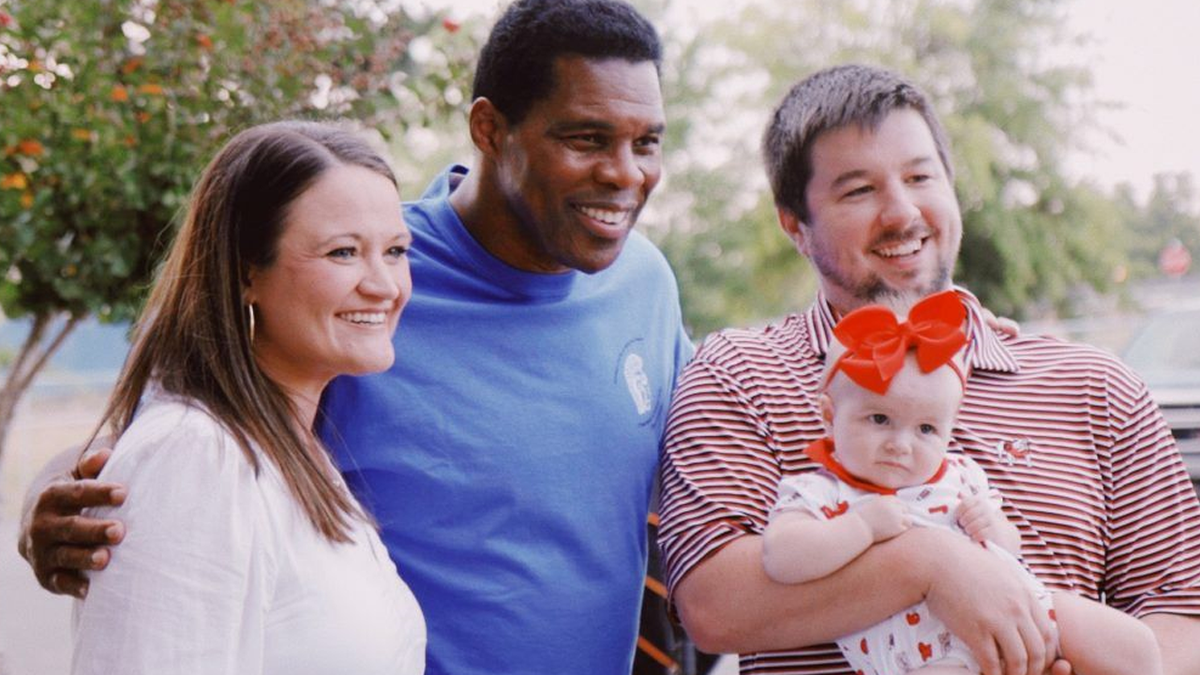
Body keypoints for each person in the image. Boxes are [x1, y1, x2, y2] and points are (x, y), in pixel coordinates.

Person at [18, 1, 694, 673]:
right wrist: (49, 496)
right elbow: (176, 426)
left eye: (648, 142)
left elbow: (714, 454)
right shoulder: (349, 279)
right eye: (585, 139)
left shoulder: (645, 284)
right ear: (489, 128)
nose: (625, 174)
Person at [656, 63, 1200, 675]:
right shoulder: (742, 374)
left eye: (920, 176)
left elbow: (1178, 609)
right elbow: (711, 606)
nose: (901, 211)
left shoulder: (1096, 386)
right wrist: (928, 564)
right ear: (794, 226)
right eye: (858, 190)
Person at [65, 121, 425, 673]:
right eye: (343, 252)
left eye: (395, 250)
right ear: (244, 274)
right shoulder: (196, 457)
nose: (384, 285)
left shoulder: (291, 446)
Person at [762, 290, 1161, 675]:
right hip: (920, 658)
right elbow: (781, 558)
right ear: (830, 416)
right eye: (879, 419)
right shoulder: (824, 493)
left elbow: (1008, 548)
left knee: (1138, 649)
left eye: (926, 429)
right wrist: (860, 527)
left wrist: (997, 529)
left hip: (1027, 614)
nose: (901, 445)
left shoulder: (960, 474)